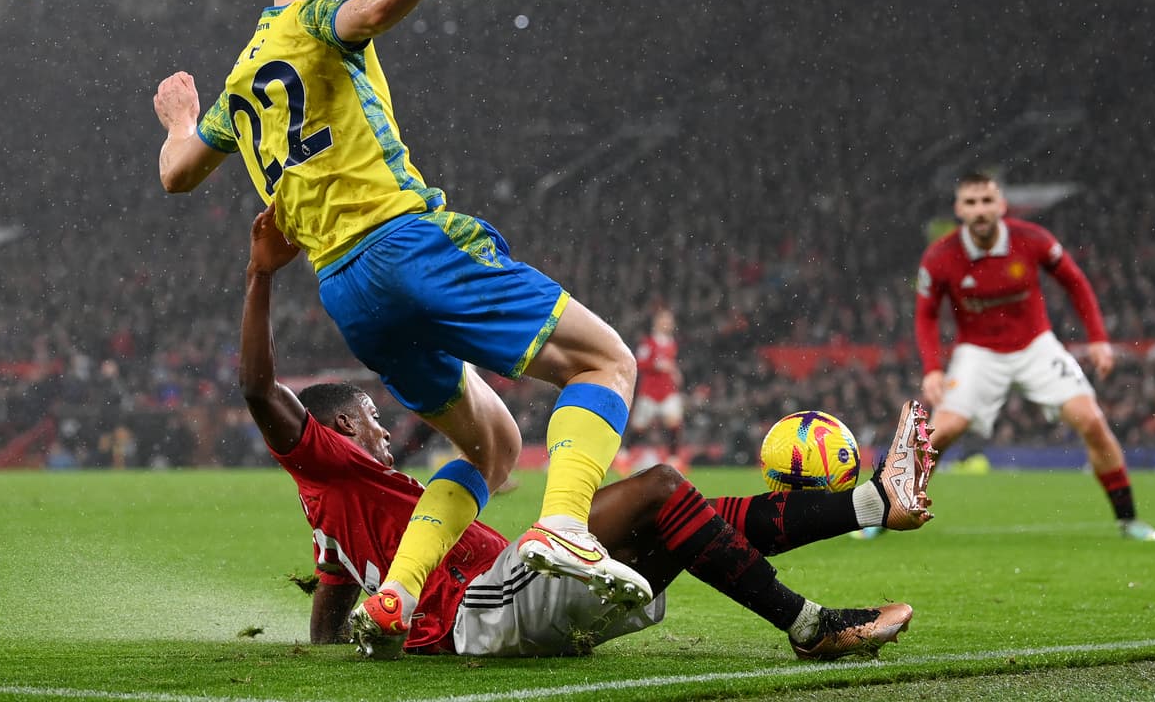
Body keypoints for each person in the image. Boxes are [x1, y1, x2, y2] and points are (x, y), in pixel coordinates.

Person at [152, 0, 651, 643]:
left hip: (347, 292)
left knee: (495, 446)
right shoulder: (314, 17)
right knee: (608, 362)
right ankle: (564, 529)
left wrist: (180, 117)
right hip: (405, 243)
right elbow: (372, 12)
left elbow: (178, 173)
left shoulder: (242, 82)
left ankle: (397, 594)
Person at [241, 205, 935, 659]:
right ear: (335, 431)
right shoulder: (330, 468)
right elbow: (259, 389)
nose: (386, 439)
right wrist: (260, 275)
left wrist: (331, 652)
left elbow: (331, 603)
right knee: (660, 485)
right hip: (483, 609)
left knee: (678, 512)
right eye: (371, 427)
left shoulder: (334, 519)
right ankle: (812, 622)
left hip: (503, 595)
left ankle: (871, 506)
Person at [910, 171, 1155, 541]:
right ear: (958, 209)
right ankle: (892, 512)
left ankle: (1128, 520)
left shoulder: (1032, 239)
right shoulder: (940, 256)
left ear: (1002, 205)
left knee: (1091, 420)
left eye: (986, 201)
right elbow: (926, 314)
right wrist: (932, 369)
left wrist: (1098, 339)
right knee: (942, 431)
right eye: (971, 202)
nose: (980, 210)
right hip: (978, 353)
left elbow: (1076, 282)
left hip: (1035, 346)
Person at [625, 308, 687, 471]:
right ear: (656, 322)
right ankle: (624, 453)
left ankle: (674, 458)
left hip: (668, 391)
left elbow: (669, 365)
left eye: (669, 320)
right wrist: (658, 365)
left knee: (674, 422)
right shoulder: (648, 342)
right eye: (664, 320)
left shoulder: (672, 343)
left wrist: (675, 372)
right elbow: (640, 362)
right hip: (649, 392)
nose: (667, 323)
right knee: (639, 426)